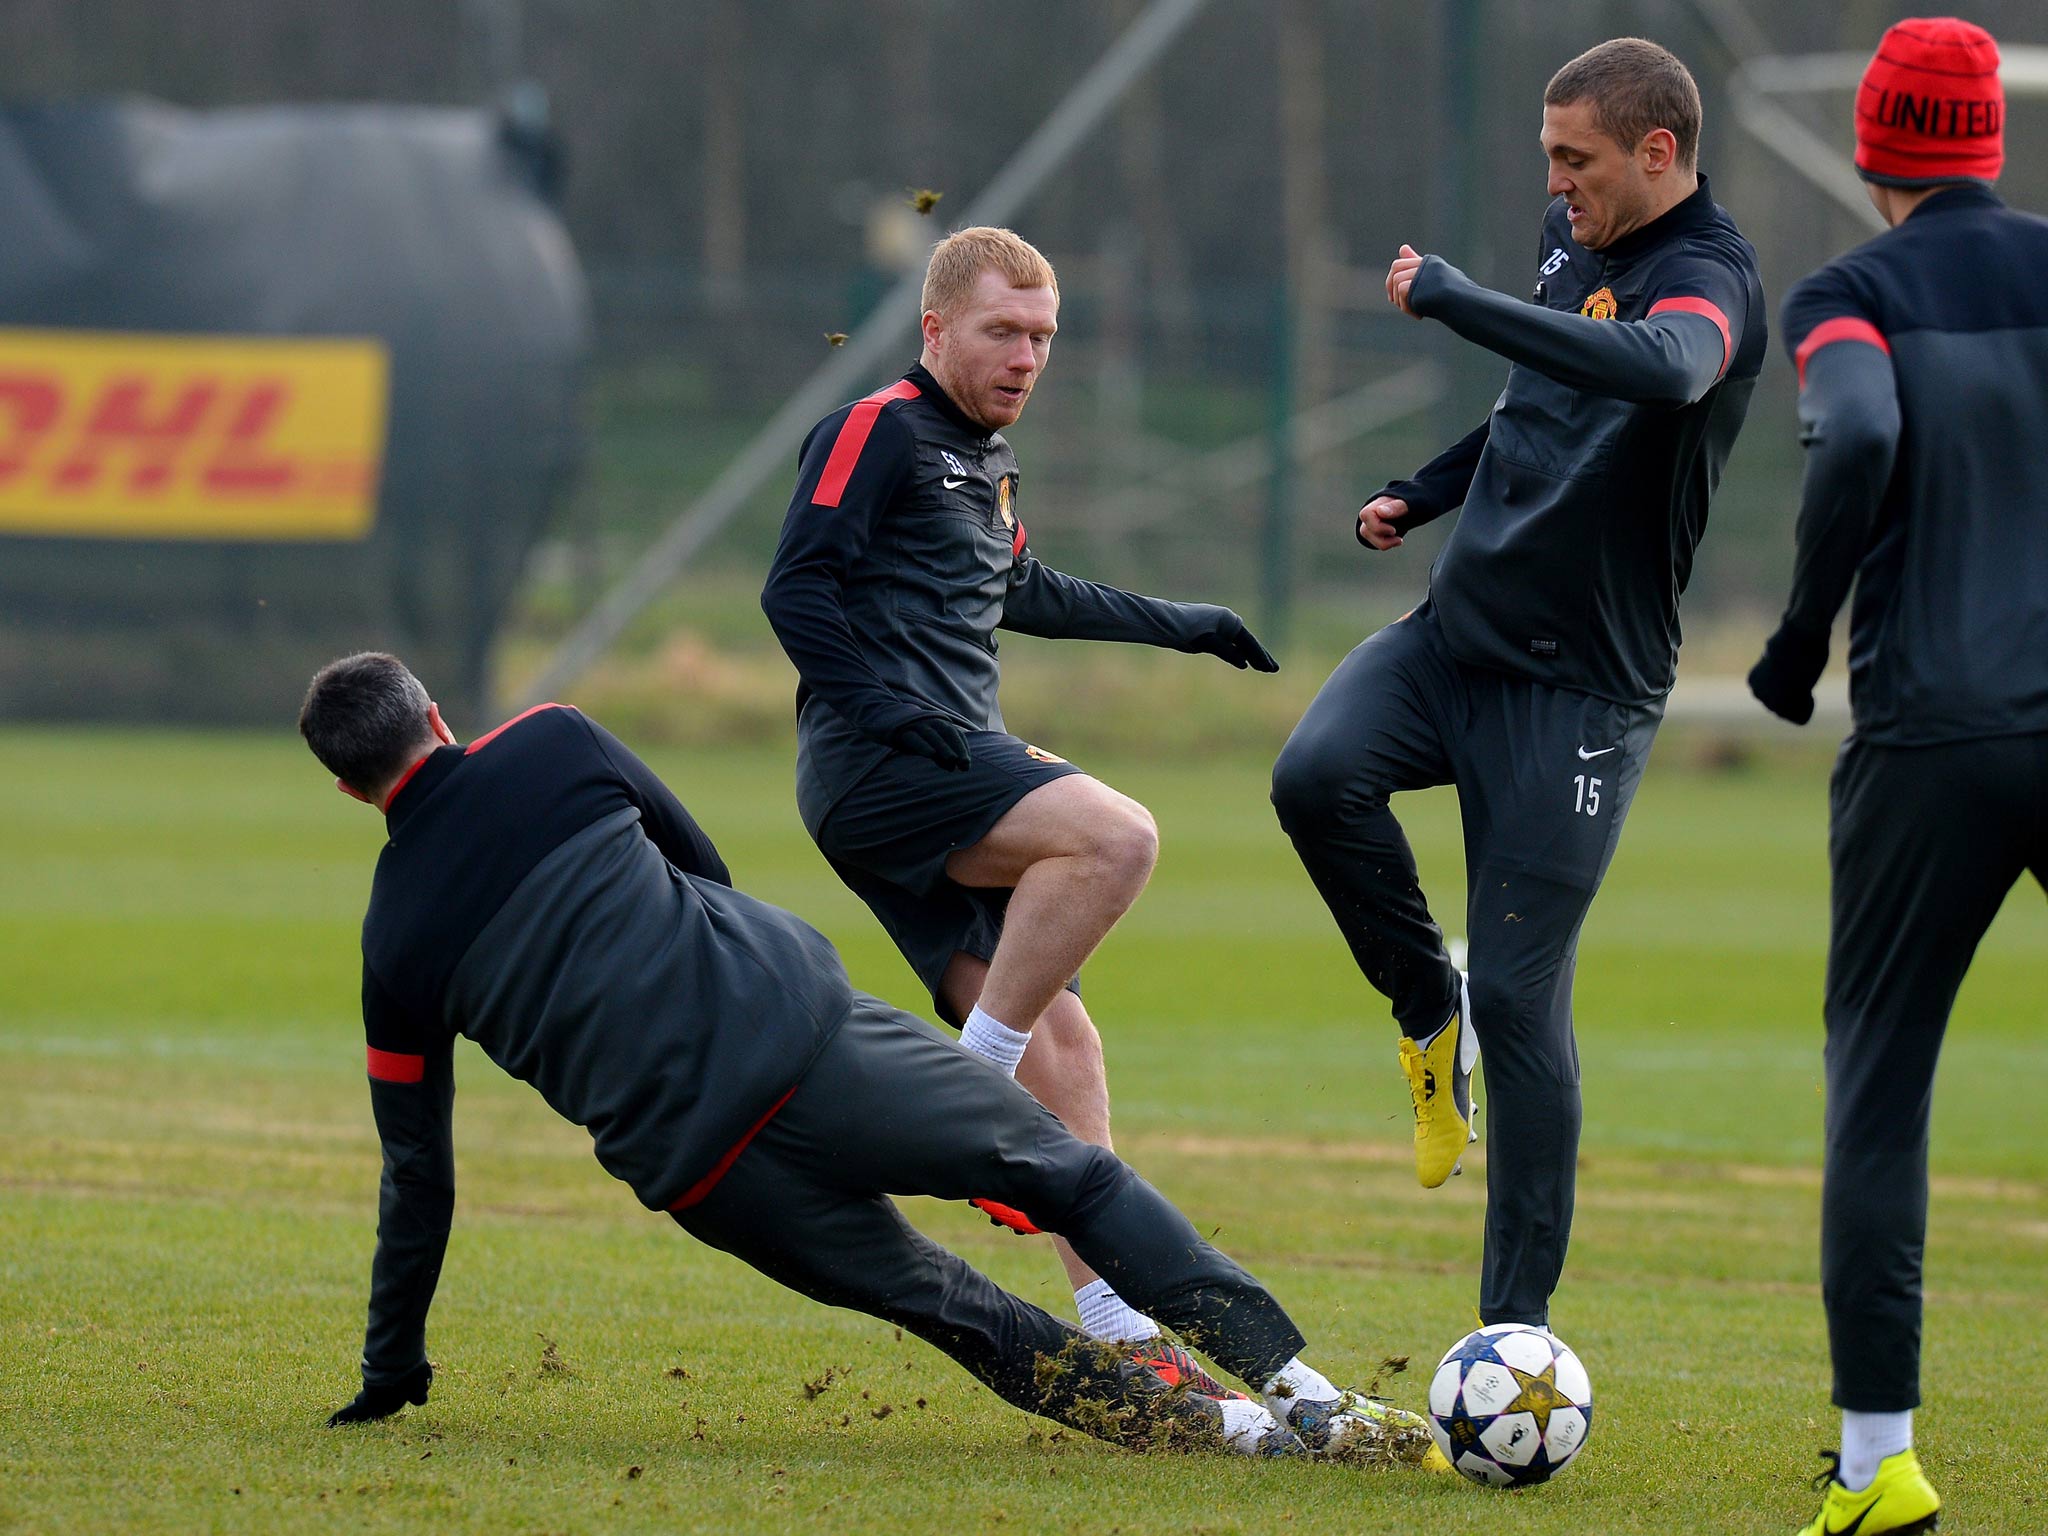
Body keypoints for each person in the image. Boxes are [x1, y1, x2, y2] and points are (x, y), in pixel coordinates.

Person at [300, 652, 1445, 1468]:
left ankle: (1234, 1440)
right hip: (815, 1048)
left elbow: (419, 1180)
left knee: (952, 1308)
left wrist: (391, 1365)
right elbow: (695, 859)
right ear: (439, 715)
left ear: (348, 789)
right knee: (1071, 1177)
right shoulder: (550, 739)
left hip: (707, 1174)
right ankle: (1306, 1400)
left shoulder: (391, 947)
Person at [1269, 38, 1764, 1329]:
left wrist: (1455, 295)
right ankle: (1427, 1014)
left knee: (1528, 1000)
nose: (1554, 183)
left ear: (1658, 152)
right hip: (1455, 638)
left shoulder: (1712, 278)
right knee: (1314, 776)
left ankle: (1514, 1336)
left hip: (1580, 697)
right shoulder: (1574, 245)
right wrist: (1421, 492)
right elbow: (1538, 396)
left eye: (1575, 159)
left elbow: (1666, 369)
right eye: (1548, 156)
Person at [761, 226, 1278, 1359]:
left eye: (1041, 338)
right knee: (1113, 839)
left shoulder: (984, 461)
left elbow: (1020, 588)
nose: (1025, 358)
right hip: (884, 765)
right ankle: (962, 1086)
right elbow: (793, 589)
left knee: (1068, 1051)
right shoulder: (872, 428)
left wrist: (1178, 623)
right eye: (1002, 331)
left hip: (936, 765)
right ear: (935, 328)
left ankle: (1114, 1325)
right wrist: (878, 708)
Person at [1746, 20, 2043, 1535]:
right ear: (1988, 138)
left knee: (1880, 1090)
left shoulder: (1849, 294)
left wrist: (1802, 639)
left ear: (1874, 151)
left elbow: (1855, 424)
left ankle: (1879, 1470)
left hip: (1933, 731)